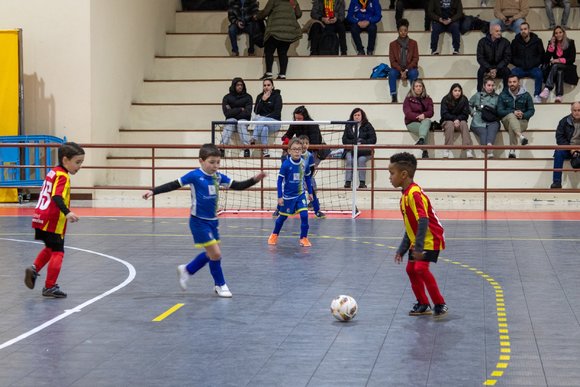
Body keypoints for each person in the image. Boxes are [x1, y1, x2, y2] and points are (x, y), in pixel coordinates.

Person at [142, 143, 266, 298]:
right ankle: (220, 285)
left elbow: (238, 186)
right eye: (212, 162)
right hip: (198, 222)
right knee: (216, 253)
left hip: (213, 221)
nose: (215, 166)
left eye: (218, 162)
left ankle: (187, 270)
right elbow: (173, 185)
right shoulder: (194, 176)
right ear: (201, 160)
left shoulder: (218, 177)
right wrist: (153, 191)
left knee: (211, 254)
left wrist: (254, 179)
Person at [389, 152, 448, 318]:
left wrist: (419, 247)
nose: (390, 177)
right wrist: (402, 249)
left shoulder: (414, 194)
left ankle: (440, 304)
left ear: (404, 174)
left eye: (391, 173)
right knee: (411, 269)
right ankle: (423, 303)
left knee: (421, 268)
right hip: (420, 239)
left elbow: (423, 221)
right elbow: (411, 228)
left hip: (431, 237)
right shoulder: (404, 197)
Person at [24, 142, 85, 298]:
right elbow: (56, 196)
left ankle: (34, 268)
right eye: (77, 162)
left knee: (50, 248)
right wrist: (67, 212)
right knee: (58, 252)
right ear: (65, 160)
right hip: (52, 219)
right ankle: (50, 286)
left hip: (40, 217)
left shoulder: (53, 172)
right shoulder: (63, 176)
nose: (79, 166)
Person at [268, 137, 314, 247]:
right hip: (288, 196)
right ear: (289, 151)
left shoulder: (304, 164)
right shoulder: (286, 165)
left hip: (300, 194)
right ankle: (274, 234)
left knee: (304, 215)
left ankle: (304, 238)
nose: (297, 151)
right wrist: (280, 196)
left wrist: (310, 192)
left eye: (299, 149)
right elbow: (279, 181)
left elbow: (308, 178)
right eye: (294, 149)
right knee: (282, 218)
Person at [257, 0, 302, 79]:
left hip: (274, 30)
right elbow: (298, 14)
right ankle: (282, 74)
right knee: (283, 53)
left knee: (269, 51)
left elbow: (265, 12)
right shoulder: (292, 1)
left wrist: (257, 16)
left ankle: (269, 73)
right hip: (288, 32)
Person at [497, 74, 535, 158]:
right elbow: (499, 111)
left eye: (514, 82)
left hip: (522, 121)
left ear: (519, 83)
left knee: (512, 125)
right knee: (511, 116)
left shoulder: (526, 95)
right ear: (507, 83)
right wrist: (513, 112)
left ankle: (512, 150)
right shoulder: (503, 95)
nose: (512, 84)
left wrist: (523, 115)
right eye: (510, 82)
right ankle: (520, 136)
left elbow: (531, 110)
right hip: (506, 120)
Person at [539, 26, 578, 104]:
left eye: (560, 32)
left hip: (568, 67)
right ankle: (559, 96)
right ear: (554, 35)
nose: (558, 34)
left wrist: (558, 60)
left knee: (556, 65)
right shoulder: (552, 42)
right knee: (559, 71)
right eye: (556, 33)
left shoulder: (570, 42)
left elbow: (572, 59)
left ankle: (547, 88)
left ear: (563, 33)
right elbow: (546, 59)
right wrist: (551, 46)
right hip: (557, 69)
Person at [510, 22, 545, 104]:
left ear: (529, 30)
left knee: (539, 74)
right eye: (521, 29)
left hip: (533, 67)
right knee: (512, 74)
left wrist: (533, 63)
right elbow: (511, 57)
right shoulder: (515, 42)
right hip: (520, 68)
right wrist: (521, 63)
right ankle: (515, 94)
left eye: (525, 29)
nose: (523, 31)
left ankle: (537, 95)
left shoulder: (537, 41)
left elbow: (541, 55)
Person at [342, 107, 377, 188]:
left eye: (358, 115)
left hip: (364, 151)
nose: (357, 117)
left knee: (361, 160)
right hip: (351, 150)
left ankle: (362, 182)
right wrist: (355, 143)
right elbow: (344, 140)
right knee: (350, 160)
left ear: (362, 116)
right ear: (352, 116)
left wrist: (362, 142)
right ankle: (348, 182)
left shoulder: (368, 125)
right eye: (355, 115)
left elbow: (373, 139)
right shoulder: (348, 125)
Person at [388, 18, 419, 103]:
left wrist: (406, 70)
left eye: (405, 30)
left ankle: (414, 95)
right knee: (391, 73)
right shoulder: (392, 44)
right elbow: (392, 61)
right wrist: (401, 71)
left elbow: (415, 59)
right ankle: (394, 96)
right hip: (398, 69)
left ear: (407, 31)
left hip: (409, 68)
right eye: (401, 30)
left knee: (414, 73)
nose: (403, 32)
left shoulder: (413, 43)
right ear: (398, 31)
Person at [469, 77, 501, 158]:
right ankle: (488, 151)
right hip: (478, 120)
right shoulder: (477, 95)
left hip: (492, 120)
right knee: (484, 132)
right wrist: (473, 112)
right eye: (488, 85)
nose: (490, 87)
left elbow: (500, 110)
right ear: (484, 86)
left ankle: (489, 147)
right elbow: (468, 105)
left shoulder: (497, 97)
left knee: (492, 130)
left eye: (492, 85)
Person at [550, 102, 580, 189]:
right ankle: (556, 183)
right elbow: (559, 137)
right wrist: (571, 149)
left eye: (579, 110)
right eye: (575, 110)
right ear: (571, 111)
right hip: (568, 149)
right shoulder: (564, 121)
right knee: (559, 152)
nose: (577, 112)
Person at [251, 78, 283, 157]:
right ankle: (265, 151)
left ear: (272, 86)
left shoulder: (277, 96)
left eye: (268, 85)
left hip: (275, 122)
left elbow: (277, 112)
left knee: (261, 119)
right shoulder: (260, 96)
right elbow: (256, 111)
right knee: (264, 127)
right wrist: (262, 100)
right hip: (262, 123)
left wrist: (263, 118)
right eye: (264, 85)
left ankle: (254, 138)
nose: (266, 87)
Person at [476, 21, 511, 92]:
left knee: (507, 71)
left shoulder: (505, 42)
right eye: (497, 31)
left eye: (500, 31)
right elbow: (480, 58)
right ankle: (479, 92)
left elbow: (507, 58)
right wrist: (490, 68)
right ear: (491, 32)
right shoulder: (482, 42)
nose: (499, 33)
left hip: (500, 68)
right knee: (480, 71)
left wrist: (496, 68)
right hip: (487, 68)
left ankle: (506, 92)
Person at [221, 77, 252, 157]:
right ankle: (221, 148)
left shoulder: (248, 97)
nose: (240, 87)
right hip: (231, 120)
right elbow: (227, 114)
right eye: (238, 85)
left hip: (243, 120)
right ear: (234, 86)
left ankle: (246, 148)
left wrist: (233, 111)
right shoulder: (226, 97)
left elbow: (247, 113)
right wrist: (240, 109)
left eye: (241, 85)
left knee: (240, 123)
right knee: (231, 121)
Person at [440, 83, 473, 158]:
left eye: (459, 90)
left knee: (464, 124)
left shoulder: (464, 99)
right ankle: (447, 149)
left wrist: (458, 119)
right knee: (450, 124)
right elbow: (444, 114)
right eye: (455, 90)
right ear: (451, 91)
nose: (457, 92)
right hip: (447, 121)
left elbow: (465, 114)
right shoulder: (445, 99)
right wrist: (454, 119)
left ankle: (468, 149)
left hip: (460, 121)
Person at [403, 79, 434, 159]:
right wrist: (419, 117)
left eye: (420, 86)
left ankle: (421, 140)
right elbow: (408, 113)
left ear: (423, 88)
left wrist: (424, 115)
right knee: (424, 129)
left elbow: (431, 112)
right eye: (416, 86)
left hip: (424, 121)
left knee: (427, 121)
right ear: (413, 88)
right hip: (411, 122)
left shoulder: (428, 99)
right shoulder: (408, 99)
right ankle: (425, 151)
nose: (418, 88)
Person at [298, 135, 326, 218]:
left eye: (306, 143)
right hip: (296, 179)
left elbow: (312, 168)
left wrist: (309, 178)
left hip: (306, 178)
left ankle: (317, 211)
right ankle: (279, 210)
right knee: (288, 194)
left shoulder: (309, 155)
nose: (304, 145)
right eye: (302, 143)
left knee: (312, 193)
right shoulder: (295, 154)